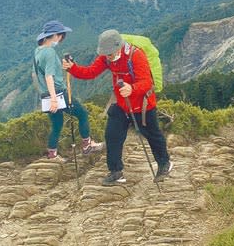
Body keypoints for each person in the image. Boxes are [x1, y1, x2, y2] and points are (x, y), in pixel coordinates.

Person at [62, 29, 172, 186]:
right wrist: (72, 68)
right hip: (122, 104)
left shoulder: (136, 55)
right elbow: (90, 72)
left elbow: (147, 82)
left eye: (109, 53)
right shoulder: (106, 57)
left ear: (118, 46)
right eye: (105, 54)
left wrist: (132, 89)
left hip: (142, 105)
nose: (107, 57)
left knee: (153, 135)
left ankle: (164, 164)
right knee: (112, 136)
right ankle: (116, 172)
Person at [34, 20, 103, 160]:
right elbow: (49, 76)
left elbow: (38, 74)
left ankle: (52, 154)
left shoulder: (38, 51)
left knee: (57, 124)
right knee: (82, 114)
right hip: (58, 94)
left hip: (45, 95)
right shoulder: (49, 52)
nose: (61, 39)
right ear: (54, 35)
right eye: (61, 36)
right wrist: (54, 99)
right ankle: (87, 145)